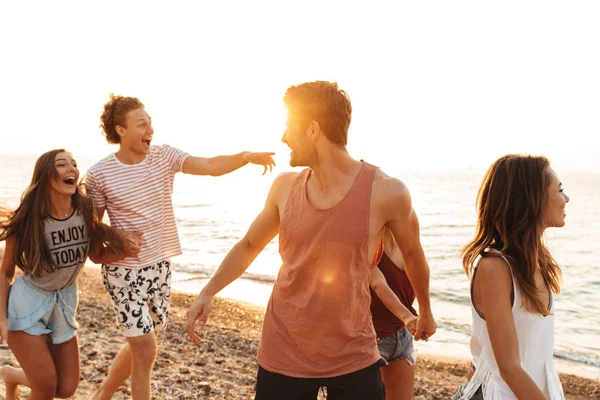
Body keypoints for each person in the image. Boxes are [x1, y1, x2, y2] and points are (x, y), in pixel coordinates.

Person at [185, 80, 437, 400]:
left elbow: (414, 254)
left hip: (354, 351)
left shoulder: (387, 192)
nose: (283, 137)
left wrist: (425, 311)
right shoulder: (284, 187)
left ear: (313, 130)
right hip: (284, 349)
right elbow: (250, 244)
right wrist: (208, 291)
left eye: (290, 127)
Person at [85, 94, 276, 400]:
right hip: (123, 273)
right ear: (120, 130)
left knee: (142, 341)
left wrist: (245, 157)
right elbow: (92, 231)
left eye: (150, 122)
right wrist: (120, 243)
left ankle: (104, 392)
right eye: (141, 123)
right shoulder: (99, 174)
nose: (150, 129)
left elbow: (210, 165)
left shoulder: (163, 156)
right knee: (146, 350)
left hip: (159, 267)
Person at [0, 149, 141, 400]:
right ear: (46, 176)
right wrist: (1, 319)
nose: (72, 169)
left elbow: (96, 256)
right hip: (28, 303)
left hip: (64, 302)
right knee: (44, 388)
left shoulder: (84, 211)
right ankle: (21, 379)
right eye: (62, 165)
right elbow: (6, 273)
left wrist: (127, 252)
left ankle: (12, 375)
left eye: (74, 164)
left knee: (65, 389)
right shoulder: (29, 219)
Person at [452, 154, 568, 400]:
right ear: (532, 200)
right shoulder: (495, 268)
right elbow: (509, 368)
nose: (566, 199)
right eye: (559, 190)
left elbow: (536, 355)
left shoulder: (536, 261)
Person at [371, 229, 418, 400]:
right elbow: (378, 284)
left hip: (401, 336)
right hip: (368, 339)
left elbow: (421, 276)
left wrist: (426, 314)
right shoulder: (366, 239)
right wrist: (407, 317)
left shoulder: (408, 239)